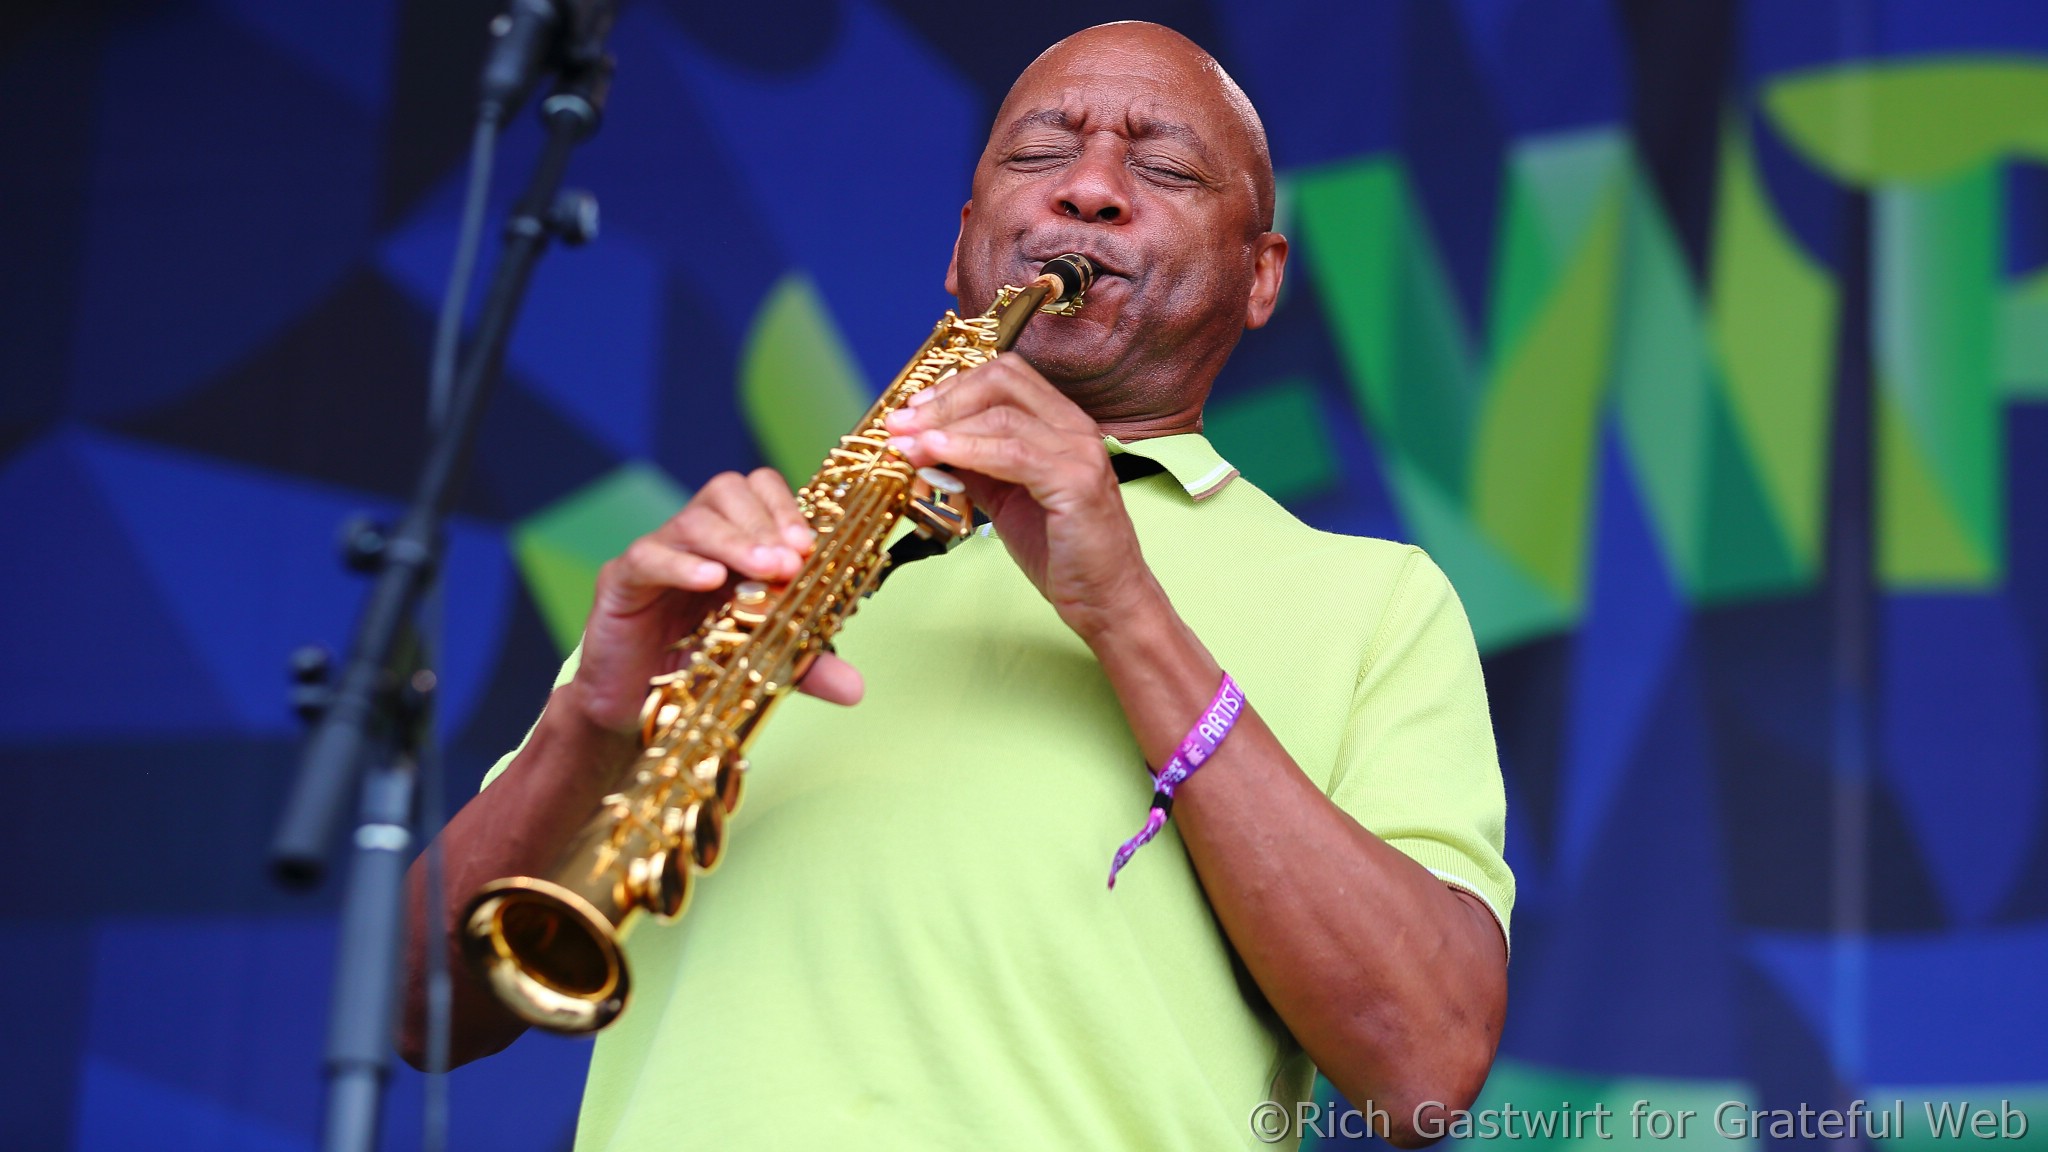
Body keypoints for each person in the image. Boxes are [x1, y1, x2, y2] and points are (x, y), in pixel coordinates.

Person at [403, 21, 1511, 1150]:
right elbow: (417, 1012)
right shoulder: (738, 573)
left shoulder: (1373, 599)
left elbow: (1423, 1061)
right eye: (1038, 156)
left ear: (1258, 274)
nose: (1087, 188)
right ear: (964, 243)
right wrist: (594, 719)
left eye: (1163, 167)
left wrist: (1122, 606)